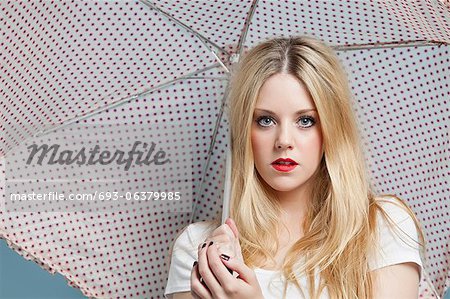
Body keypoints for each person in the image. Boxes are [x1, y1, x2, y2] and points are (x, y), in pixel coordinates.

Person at [164, 35, 425, 299]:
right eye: (265, 120)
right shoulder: (199, 248)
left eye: (305, 120)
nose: (284, 141)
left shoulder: (381, 227)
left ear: (332, 128)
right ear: (244, 131)